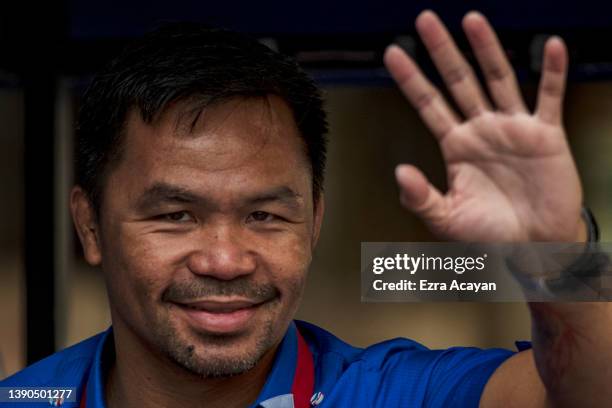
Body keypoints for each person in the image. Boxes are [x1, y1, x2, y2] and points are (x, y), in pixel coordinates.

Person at [2, 9, 610, 408]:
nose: (225, 259)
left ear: (315, 221)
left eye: (265, 215)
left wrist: (561, 250)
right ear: (89, 225)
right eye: (176, 215)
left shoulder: (390, 394)